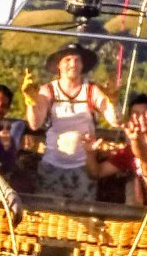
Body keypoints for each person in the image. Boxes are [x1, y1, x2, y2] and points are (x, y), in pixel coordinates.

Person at [25, 45, 118, 203]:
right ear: (58, 65)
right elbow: (35, 124)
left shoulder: (92, 90)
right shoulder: (48, 90)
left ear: (82, 65)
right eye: (68, 60)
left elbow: (115, 121)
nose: (73, 64)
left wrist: (113, 102)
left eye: (77, 60)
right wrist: (31, 102)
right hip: (52, 165)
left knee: (84, 216)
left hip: (84, 167)